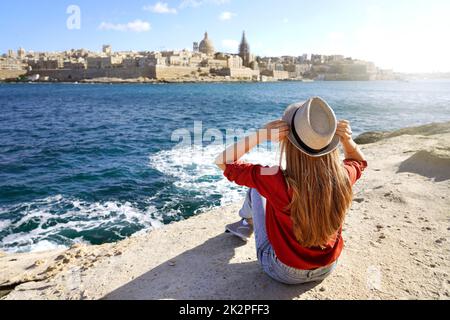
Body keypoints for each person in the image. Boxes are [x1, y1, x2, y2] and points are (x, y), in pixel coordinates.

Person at [215, 97, 367, 285]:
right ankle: (245, 223)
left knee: (256, 189)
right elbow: (359, 161)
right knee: (263, 187)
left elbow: (224, 161)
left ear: (288, 141)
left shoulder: (274, 177)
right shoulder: (342, 176)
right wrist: (348, 141)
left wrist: (261, 134)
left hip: (285, 271)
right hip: (327, 266)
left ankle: (245, 224)